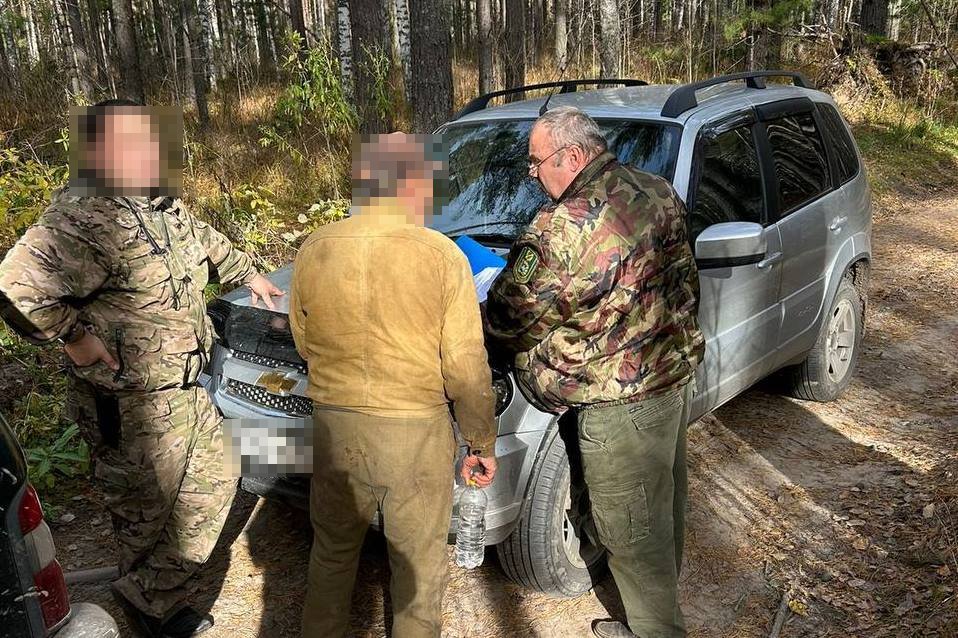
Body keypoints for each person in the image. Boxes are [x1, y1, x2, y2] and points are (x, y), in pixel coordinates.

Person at [0, 99, 284, 638]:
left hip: (185, 387)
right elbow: (15, 286)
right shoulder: (83, 215)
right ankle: (154, 608)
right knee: (144, 514)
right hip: (130, 403)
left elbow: (203, 239)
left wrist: (248, 272)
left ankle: (148, 590)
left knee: (216, 482)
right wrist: (74, 338)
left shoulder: (159, 204)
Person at [484, 106, 705, 638]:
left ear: (574, 155)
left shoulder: (567, 224)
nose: (532, 174)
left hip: (618, 402)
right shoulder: (656, 189)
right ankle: (657, 615)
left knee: (629, 528)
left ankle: (657, 631)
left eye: (537, 163)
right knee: (663, 503)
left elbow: (511, 315)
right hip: (669, 378)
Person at [292, 132, 498, 638]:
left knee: (332, 556)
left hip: (335, 428)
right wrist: (481, 441)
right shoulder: (442, 255)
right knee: (418, 569)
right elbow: (465, 366)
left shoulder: (316, 246)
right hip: (414, 435)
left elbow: (304, 337)